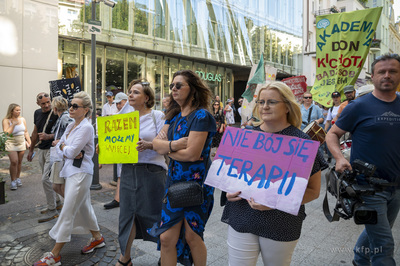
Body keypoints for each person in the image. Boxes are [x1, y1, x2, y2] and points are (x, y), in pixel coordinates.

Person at [221, 81, 326, 266]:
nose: (264, 106)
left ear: (287, 106)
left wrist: (275, 203)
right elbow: (231, 177)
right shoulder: (245, 136)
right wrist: (228, 192)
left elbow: (313, 191)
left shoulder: (303, 143)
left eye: (271, 102)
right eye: (261, 102)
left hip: (281, 222)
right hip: (242, 216)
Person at [326, 53, 400, 266]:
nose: (387, 75)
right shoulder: (358, 106)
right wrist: (339, 158)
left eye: (393, 71)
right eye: (381, 72)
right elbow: (332, 134)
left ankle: (359, 260)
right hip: (368, 187)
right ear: (373, 76)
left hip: (396, 187)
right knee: (385, 244)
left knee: (375, 233)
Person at [150, 70, 216, 266]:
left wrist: (166, 149)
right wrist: (175, 145)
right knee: (166, 238)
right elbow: (155, 143)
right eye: (172, 86)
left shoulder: (201, 116)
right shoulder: (174, 116)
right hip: (173, 184)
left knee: (192, 236)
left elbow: (192, 155)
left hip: (196, 185)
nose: (173, 89)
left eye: (179, 85)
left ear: (193, 89)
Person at [33, 92, 105, 266]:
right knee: (84, 208)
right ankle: (97, 238)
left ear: (85, 110)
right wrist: (66, 147)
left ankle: (55, 255)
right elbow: (60, 148)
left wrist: (64, 146)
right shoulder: (71, 125)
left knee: (68, 211)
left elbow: (67, 149)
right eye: (71, 105)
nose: (70, 108)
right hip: (71, 171)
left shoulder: (87, 127)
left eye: (75, 106)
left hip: (81, 174)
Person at [114, 80, 167, 266]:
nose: (130, 95)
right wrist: (104, 147)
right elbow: (115, 144)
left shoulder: (157, 116)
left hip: (152, 171)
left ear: (146, 98)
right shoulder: (124, 120)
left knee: (157, 214)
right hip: (129, 171)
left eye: (135, 92)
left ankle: (165, 254)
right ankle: (125, 258)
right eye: (129, 92)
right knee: (127, 215)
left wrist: (149, 144)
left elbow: (165, 147)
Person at [27, 93, 61, 223]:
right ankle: (57, 202)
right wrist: (31, 150)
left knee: (45, 179)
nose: (47, 105)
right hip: (41, 149)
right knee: (48, 178)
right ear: (38, 104)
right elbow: (35, 132)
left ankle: (52, 209)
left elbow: (62, 133)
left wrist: (49, 137)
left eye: (48, 102)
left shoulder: (56, 112)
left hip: (53, 150)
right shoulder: (37, 113)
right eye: (43, 103)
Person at [103, 92, 135, 210]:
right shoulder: (119, 113)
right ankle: (118, 198)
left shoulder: (132, 111)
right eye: (117, 104)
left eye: (120, 103)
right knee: (121, 173)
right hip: (123, 148)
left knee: (125, 174)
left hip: (131, 149)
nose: (118, 106)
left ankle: (122, 198)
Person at [2, 104, 31, 190]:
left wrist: (29, 143)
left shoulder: (22, 119)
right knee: (14, 161)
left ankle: (18, 178)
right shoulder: (6, 120)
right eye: (17, 110)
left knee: (19, 162)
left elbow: (25, 132)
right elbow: (6, 133)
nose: (19, 112)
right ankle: (13, 180)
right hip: (11, 142)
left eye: (19, 110)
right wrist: (13, 124)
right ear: (11, 111)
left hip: (21, 142)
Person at [49, 97, 74, 198]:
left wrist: (59, 142)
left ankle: (71, 207)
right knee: (57, 186)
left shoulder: (65, 117)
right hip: (61, 155)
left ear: (55, 108)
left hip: (63, 155)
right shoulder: (63, 117)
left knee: (59, 186)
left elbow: (73, 133)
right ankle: (70, 207)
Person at [324, 91, 341, 163]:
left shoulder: (343, 106)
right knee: (332, 145)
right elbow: (328, 121)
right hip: (333, 130)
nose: (335, 99)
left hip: (342, 129)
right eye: (334, 97)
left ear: (340, 97)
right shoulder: (331, 109)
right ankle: (332, 157)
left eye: (337, 97)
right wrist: (325, 130)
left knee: (342, 147)